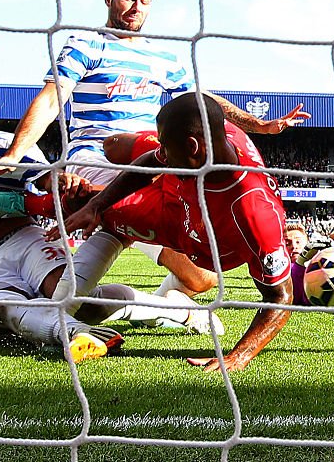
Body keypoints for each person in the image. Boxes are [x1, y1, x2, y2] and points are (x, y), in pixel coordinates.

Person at [0, 0, 309, 307]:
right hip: (96, 157)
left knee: (202, 278)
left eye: (144, 1)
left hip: (154, 159)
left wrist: (258, 124)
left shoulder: (164, 57)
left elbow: (200, 104)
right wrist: (14, 153)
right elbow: (51, 98)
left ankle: (161, 306)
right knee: (128, 201)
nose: (136, 7)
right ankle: (37, 203)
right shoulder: (86, 43)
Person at [0, 28, 220, 364]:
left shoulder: (14, 149)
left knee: (74, 298)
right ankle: (88, 329)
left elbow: (50, 180)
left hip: (27, 241)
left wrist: (63, 178)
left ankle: (129, 320)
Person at [55, 93, 295, 372]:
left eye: (167, 147)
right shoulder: (215, 136)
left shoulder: (253, 211)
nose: (163, 155)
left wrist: (239, 356)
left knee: (74, 203)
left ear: (193, 147)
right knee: (111, 148)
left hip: (185, 230)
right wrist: (98, 203)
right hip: (180, 188)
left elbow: (280, 296)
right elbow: (157, 155)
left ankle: (178, 309)